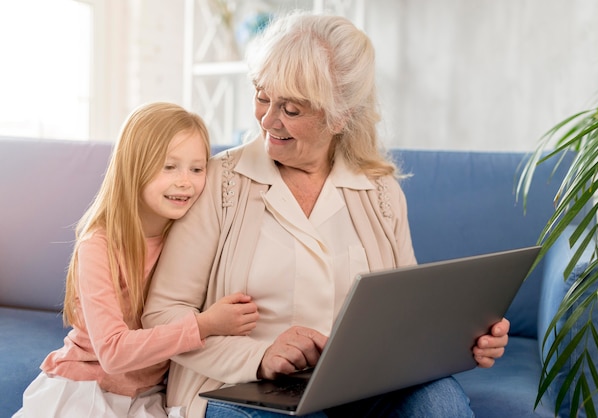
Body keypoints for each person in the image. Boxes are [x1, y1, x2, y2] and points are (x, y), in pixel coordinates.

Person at [142, 12, 510, 418]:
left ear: (341, 116)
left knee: (441, 404)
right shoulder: (216, 182)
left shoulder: (381, 190)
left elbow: (408, 317)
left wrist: (466, 340)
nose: (267, 119)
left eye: (292, 109)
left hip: (360, 385)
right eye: (262, 96)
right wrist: (260, 356)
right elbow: (163, 313)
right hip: (238, 385)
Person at [13, 102, 259, 418]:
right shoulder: (99, 245)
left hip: (147, 394)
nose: (185, 181)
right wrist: (205, 324)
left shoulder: (187, 236)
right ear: (134, 167)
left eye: (196, 169)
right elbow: (113, 352)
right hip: (87, 389)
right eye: (169, 167)